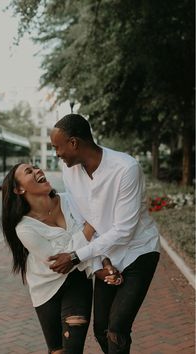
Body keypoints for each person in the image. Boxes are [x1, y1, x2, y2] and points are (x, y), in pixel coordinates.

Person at [49, 114, 161, 354]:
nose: (56, 153)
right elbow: (87, 221)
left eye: (57, 147)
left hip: (138, 251)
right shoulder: (69, 171)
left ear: (74, 143)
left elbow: (124, 230)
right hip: (106, 256)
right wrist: (102, 261)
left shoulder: (125, 168)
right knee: (102, 329)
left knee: (117, 328)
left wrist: (76, 256)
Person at [0, 162, 120, 354]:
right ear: (19, 189)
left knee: (73, 349)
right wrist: (91, 226)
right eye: (29, 171)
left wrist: (101, 262)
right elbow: (58, 263)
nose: (37, 170)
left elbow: (80, 253)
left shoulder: (70, 202)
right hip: (45, 289)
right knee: (57, 351)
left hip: (77, 280)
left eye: (36, 167)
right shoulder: (24, 228)